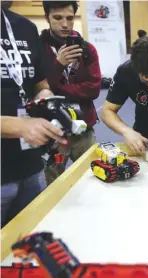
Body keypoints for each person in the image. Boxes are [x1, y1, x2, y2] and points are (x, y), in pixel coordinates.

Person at [1, 6, 66, 227]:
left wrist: (45, 97)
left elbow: (39, 82)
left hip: (30, 164)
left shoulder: (24, 27)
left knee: (31, 242)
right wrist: (17, 126)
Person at [39, 1, 101, 185]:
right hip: (52, 129)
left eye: (70, 18)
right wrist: (58, 65)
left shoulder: (87, 49)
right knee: (54, 183)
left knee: (93, 176)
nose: (65, 24)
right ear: (47, 18)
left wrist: (57, 89)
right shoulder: (38, 48)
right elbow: (39, 89)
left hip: (83, 126)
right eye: (57, 18)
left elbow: (94, 88)